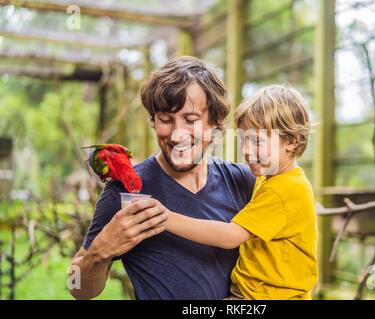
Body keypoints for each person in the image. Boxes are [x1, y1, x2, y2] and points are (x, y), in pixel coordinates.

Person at [69, 56, 256, 300]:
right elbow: (76, 289)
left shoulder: (244, 182)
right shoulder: (125, 192)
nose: (177, 135)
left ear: (215, 121)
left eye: (191, 120)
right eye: (165, 120)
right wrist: (100, 250)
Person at [148, 84, 318, 300]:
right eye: (243, 139)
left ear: (291, 141)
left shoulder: (284, 189)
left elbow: (231, 236)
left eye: (257, 141)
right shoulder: (277, 179)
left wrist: (165, 218)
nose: (246, 150)